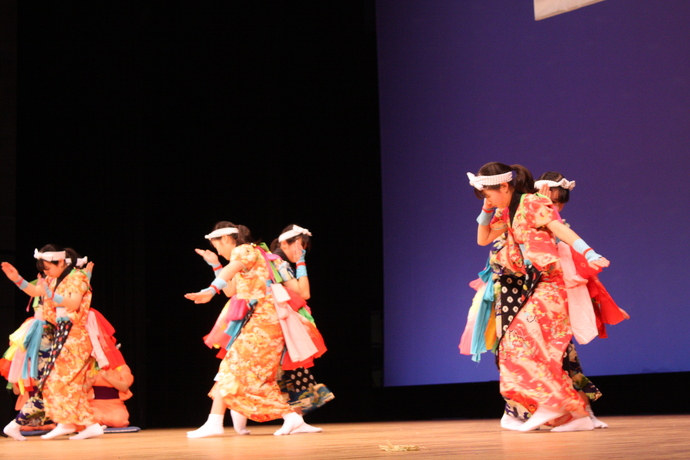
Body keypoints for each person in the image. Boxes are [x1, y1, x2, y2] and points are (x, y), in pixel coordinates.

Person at [467, 162, 610, 432]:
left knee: (524, 347)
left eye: (488, 193)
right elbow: (483, 238)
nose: (487, 198)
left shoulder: (532, 203)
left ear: (505, 186)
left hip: (547, 285)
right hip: (531, 287)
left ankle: (555, 406)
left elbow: (559, 228)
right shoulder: (507, 211)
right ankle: (573, 413)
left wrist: (589, 252)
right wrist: (487, 207)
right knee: (519, 350)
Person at [184, 222, 314, 438]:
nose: (219, 252)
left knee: (242, 372)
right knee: (236, 370)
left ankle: (290, 417)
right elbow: (232, 290)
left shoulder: (244, 250)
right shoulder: (253, 255)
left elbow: (231, 271)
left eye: (218, 247)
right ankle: (217, 421)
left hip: (264, 323)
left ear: (226, 239)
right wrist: (215, 265)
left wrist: (210, 289)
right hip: (258, 322)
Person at [1, 246, 103, 440]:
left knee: (60, 381)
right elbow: (36, 289)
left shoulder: (77, 278)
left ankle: (69, 423)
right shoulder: (52, 279)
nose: (45, 272)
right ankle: (85, 424)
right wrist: (17, 279)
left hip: (75, 337)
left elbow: (73, 303)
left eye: (48, 268)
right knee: (66, 383)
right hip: (61, 335)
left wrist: (50, 294)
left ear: (61, 262)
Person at [269, 225, 334, 417]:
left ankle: (296, 419)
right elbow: (304, 293)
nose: (301, 251)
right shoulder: (277, 261)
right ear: (284, 243)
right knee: (279, 370)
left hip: (283, 319)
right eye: (299, 246)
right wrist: (301, 263)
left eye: (304, 248)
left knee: (290, 368)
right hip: (277, 320)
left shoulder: (279, 261)